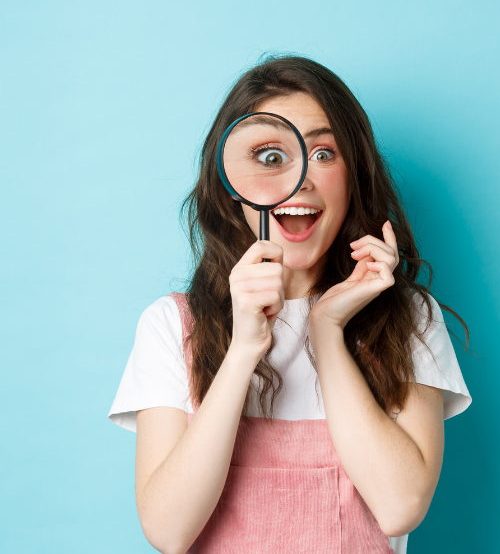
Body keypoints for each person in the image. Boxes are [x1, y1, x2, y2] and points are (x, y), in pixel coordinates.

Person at [108, 55, 471, 554]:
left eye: (324, 154)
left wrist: (327, 330)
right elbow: (168, 532)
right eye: (270, 157)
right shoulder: (172, 326)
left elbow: (400, 505)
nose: (299, 179)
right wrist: (241, 352)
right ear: (231, 187)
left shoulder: (408, 319)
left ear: (354, 177)